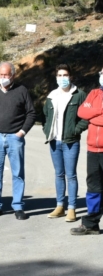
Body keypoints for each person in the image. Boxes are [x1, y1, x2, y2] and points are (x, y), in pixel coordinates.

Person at [0, 61, 36, 220]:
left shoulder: (22, 91)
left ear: (13, 75)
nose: (3, 78)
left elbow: (31, 113)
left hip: (15, 138)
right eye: (1, 75)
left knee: (18, 173)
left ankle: (18, 206)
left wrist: (22, 132)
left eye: (6, 75)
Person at [42, 64, 87, 223]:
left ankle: (72, 208)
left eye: (65, 75)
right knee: (59, 174)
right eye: (60, 75)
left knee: (71, 175)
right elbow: (45, 116)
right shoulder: (51, 96)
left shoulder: (79, 95)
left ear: (71, 77)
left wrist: (75, 130)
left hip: (70, 142)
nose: (62, 78)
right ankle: (60, 206)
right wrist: (47, 131)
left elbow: (86, 117)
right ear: (56, 78)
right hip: (55, 142)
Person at [71, 68, 103, 235]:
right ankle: (91, 223)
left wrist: (93, 115)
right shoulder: (94, 93)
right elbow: (82, 112)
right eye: (101, 73)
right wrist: (99, 111)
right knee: (93, 187)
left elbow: (91, 116)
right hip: (93, 149)